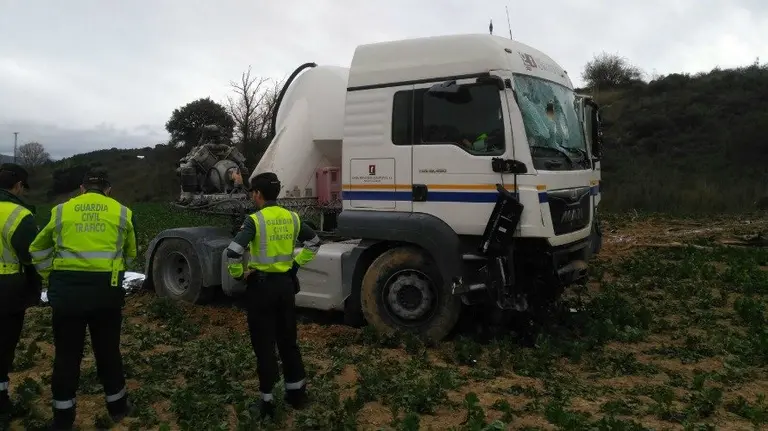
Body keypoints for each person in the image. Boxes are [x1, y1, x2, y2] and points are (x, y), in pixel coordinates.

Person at [29, 168, 137, 430]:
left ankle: (63, 418)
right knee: (109, 351)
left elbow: (37, 249)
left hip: (67, 296)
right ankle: (118, 409)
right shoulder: (122, 212)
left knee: (67, 355)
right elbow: (130, 254)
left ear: (82, 189)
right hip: (106, 296)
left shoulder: (61, 211)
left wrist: (51, 275)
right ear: (108, 190)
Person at [225, 172, 321, 420]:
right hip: (286, 287)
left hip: (262, 289)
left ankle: (268, 403)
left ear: (257, 194)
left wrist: (239, 275)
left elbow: (233, 251)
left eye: (252, 193)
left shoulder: (254, 221)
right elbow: (314, 242)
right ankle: (297, 395)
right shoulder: (293, 218)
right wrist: (295, 265)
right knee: (288, 342)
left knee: (264, 346)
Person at [0, 164, 41, 418]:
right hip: (7, 290)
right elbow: (31, 257)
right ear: (17, 186)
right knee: (2, 348)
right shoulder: (19, 215)